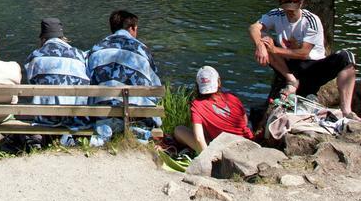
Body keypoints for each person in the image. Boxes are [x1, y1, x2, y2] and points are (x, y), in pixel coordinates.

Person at [248, 0, 360, 117]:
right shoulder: (276, 14)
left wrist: (274, 49)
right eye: (286, 9)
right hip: (289, 67)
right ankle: (291, 81)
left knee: (347, 57)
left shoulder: (311, 20)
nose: (290, 12)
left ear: (301, 3)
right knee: (264, 38)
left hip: (312, 67)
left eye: (293, 9)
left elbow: (303, 53)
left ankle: (346, 110)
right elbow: (253, 27)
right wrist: (260, 45)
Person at [85, 9, 163, 141]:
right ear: (132, 28)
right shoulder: (142, 50)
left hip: (101, 116)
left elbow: (87, 80)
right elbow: (155, 89)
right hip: (136, 116)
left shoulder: (96, 48)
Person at [23, 17, 94, 129]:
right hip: (76, 118)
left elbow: (31, 82)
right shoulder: (79, 55)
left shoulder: (35, 56)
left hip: (46, 119)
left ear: (43, 38)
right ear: (62, 37)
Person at [174, 66, 253, 153]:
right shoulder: (232, 98)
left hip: (227, 151)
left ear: (197, 85)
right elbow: (244, 121)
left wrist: (207, 158)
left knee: (179, 130)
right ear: (218, 82)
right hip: (249, 143)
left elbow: (199, 138)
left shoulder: (197, 105)